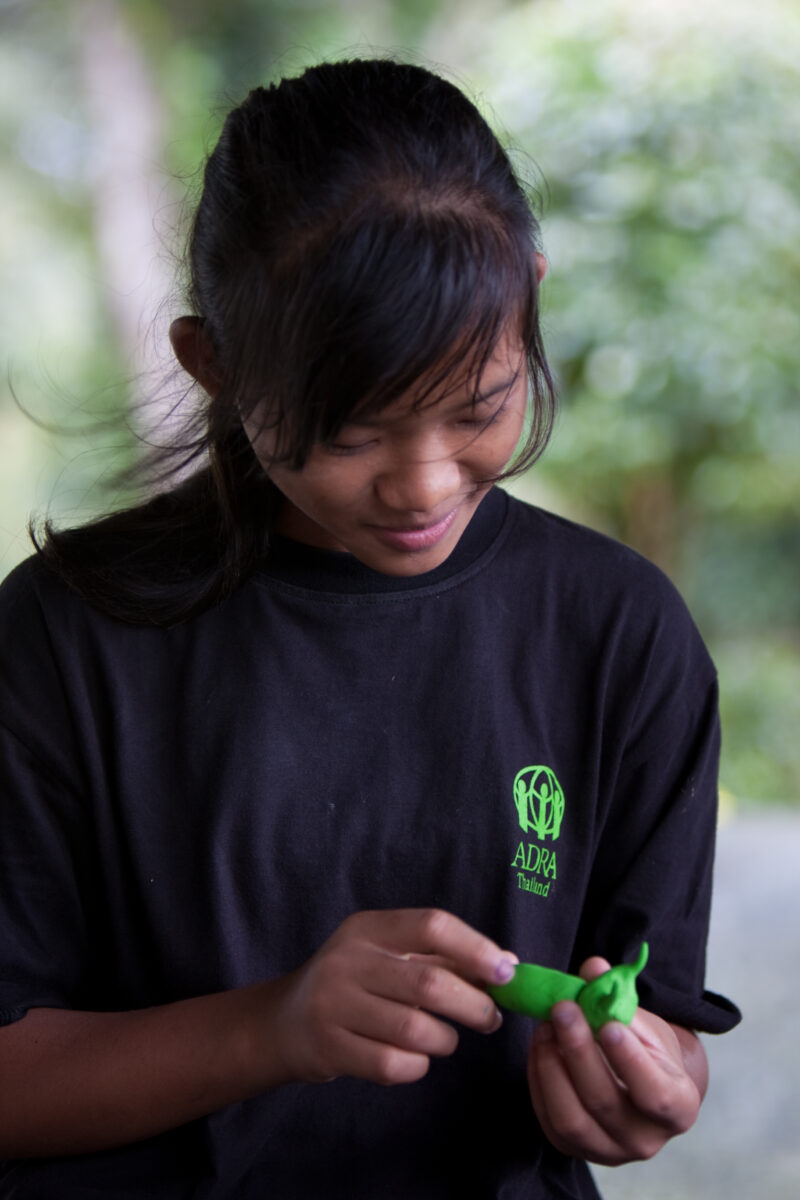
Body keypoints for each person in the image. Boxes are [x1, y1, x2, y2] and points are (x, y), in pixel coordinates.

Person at [0, 58, 739, 1199]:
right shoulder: (65, 639)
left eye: (478, 406)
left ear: (528, 302)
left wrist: (643, 1087)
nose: (422, 482)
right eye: (351, 434)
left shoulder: (618, 635)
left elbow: (659, 1025)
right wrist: (271, 1028)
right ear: (215, 368)